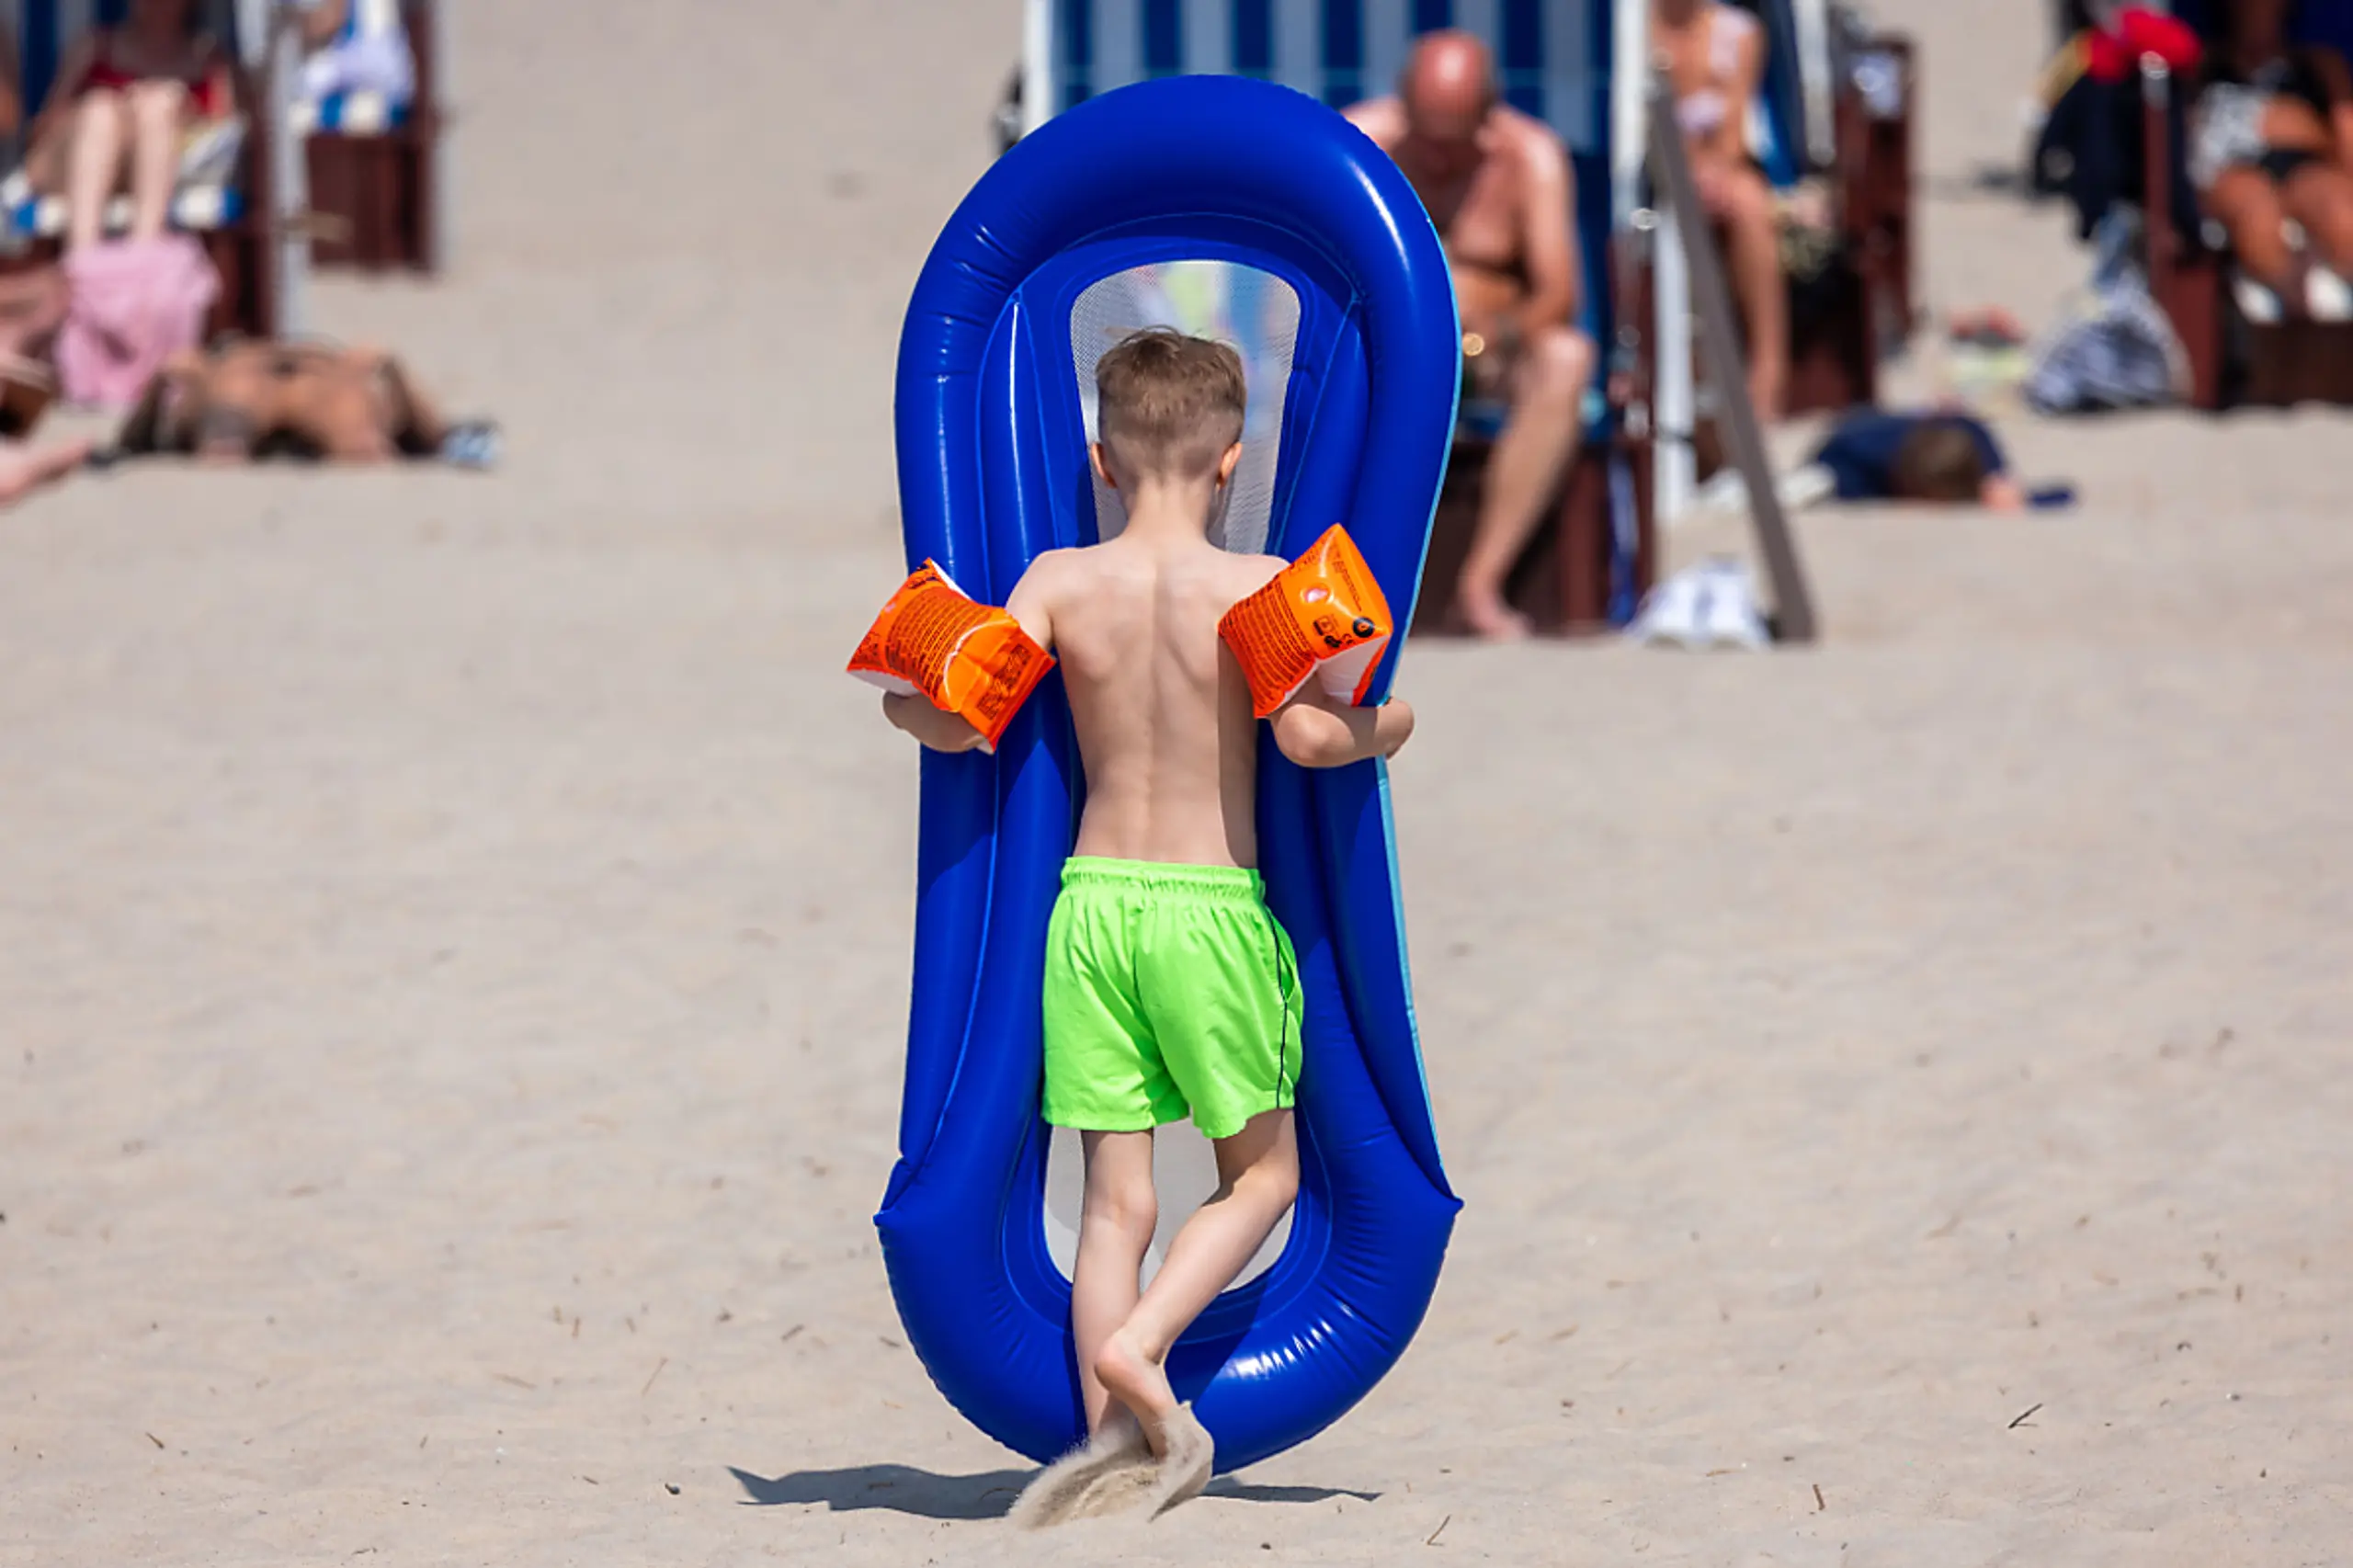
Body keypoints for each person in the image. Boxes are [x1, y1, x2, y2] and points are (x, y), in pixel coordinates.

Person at [880, 329, 1415, 1509]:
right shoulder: (1261, 585)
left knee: (1116, 1202)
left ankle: (1101, 1465)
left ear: (1101, 461)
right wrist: (1394, 724)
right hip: (1210, 910)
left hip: (1091, 907)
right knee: (1263, 1177)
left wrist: (899, 713)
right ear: (1231, 462)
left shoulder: (1061, 581)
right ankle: (1145, 1346)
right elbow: (1311, 739)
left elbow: (964, 722)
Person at [1345, 31, 1594, 641]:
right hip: (1377, 350)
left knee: (1567, 356)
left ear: (1487, 121)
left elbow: (1559, 294)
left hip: (1491, 353)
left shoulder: (1531, 157)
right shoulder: (1358, 142)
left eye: (1452, 144)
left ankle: (1481, 583)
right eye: (1424, 138)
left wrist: (1492, 340)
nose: (1434, 162)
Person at [1652, 0, 1789, 422]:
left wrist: (1710, 172)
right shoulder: (1635, 28)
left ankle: (1768, 363)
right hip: (1652, 170)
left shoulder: (1736, 33)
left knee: (1749, 204)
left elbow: (1733, 130)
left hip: (1714, 166)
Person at [21, 0, 241, 255]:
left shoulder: (211, 61)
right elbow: (44, 128)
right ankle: (84, 258)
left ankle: (141, 257)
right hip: (75, 162)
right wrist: (119, 114)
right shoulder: (95, 47)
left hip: (166, 165)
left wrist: (181, 113)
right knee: (101, 112)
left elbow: (227, 141)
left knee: (159, 105)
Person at [2189, 0, 2353, 319]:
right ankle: (2295, 307)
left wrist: (2303, 128)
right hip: (2232, 171)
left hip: (2303, 167)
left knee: (2339, 211)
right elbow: (2184, 149)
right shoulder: (2202, 65)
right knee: (2256, 212)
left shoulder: (2319, 66)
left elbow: (2346, 136)